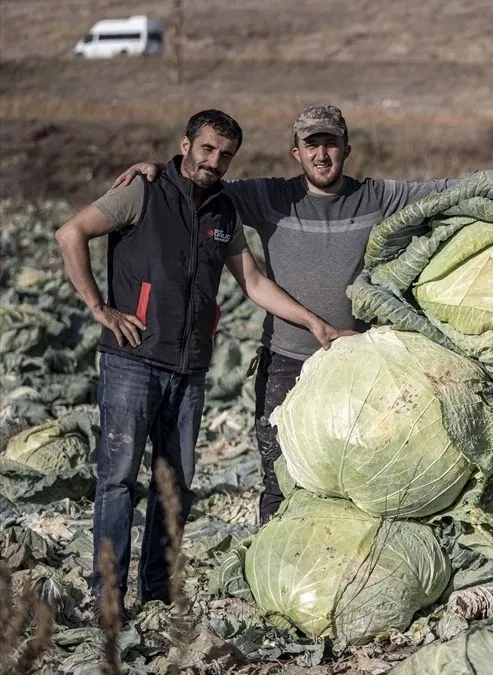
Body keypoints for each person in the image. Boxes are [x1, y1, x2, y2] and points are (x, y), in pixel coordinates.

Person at [55, 109, 347, 611]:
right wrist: (101, 309)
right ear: (186, 145)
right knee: (118, 480)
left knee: (174, 484)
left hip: (189, 368)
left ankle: (156, 589)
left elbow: (253, 283)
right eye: (207, 149)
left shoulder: (223, 212)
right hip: (133, 360)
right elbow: (70, 233)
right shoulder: (142, 191)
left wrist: (316, 324)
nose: (215, 161)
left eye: (225, 155)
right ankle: (108, 594)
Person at [113, 105, 460, 523]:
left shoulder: (377, 196)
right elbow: (201, 180)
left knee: (358, 478)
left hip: (358, 365)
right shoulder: (269, 197)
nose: (321, 155)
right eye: (310, 145)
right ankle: (275, 571)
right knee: (279, 481)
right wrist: (159, 168)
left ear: (347, 149)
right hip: (284, 363)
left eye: (330, 144)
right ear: (296, 153)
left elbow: (445, 190)